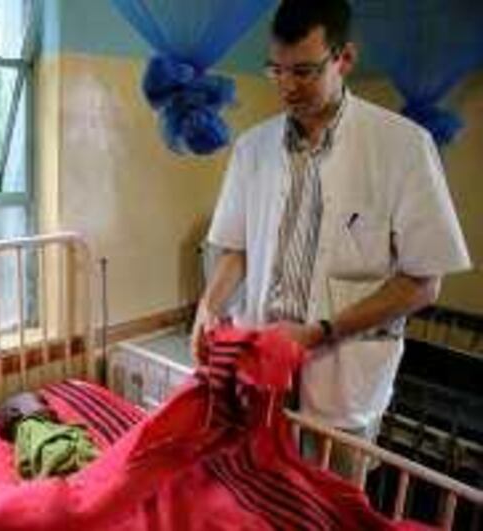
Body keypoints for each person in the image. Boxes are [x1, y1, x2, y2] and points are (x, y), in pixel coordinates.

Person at [192, 0, 470, 476]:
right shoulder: (253, 149)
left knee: (336, 503)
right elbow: (236, 248)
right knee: (262, 493)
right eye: (276, 70)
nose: (286, 86)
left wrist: (318, 333)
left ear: (344, 58)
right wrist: (208, 306)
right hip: (263, 365)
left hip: (344, 370)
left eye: (304, 71)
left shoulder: (402, 148)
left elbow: (424, 283)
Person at [0, 391, 98, 480]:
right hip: (61, 465)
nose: (49, 408)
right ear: (17, 412)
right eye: (41, 403)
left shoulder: (36, 425)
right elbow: (51, 449)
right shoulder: (28, 424)